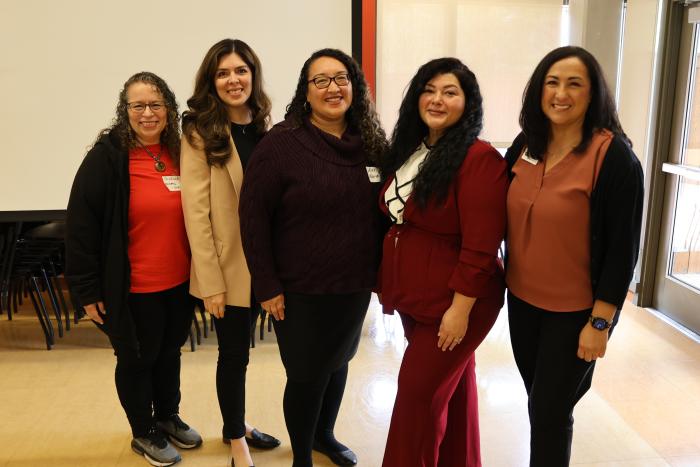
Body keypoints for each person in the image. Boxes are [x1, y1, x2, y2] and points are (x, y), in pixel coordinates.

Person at [239, 48, 388, 467]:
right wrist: (267, 285)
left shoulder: (372, 143)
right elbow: (252, 220)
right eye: (320, 80)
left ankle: (324, 436)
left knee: (339, 363)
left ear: (355, 87)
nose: (332, 88)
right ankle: (301, 457)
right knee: (306, 376)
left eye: (341, 78)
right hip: (299, 290)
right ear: (306, 92)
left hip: (354, 285)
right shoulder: (281, 144)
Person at [504, 46, 644, 466]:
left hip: (576, 312)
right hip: (522, 302)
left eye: (574, 83)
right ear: (539, 90)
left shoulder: (614, 157)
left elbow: (623, 250)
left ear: (593, 94)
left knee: (549, 411)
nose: (561, 93)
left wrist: (600, 322)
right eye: (552, 81)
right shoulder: (527, 144)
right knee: (538, 402)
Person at [65, 72, 201, 467]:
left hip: (178, 283)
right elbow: (81, 226)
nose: (147, 113)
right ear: (124, 111)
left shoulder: (179, 150)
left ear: (170, 109)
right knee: (136, 358)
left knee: (169, 353)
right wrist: (87, 292)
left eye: (156, 104)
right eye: (138, 105)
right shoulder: (107, 158)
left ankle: (167, 415)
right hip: (130, 288)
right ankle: (144, 430)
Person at [377, 58, 508, 467]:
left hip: (456, 303)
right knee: (453, 388)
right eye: (429, 90)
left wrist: (460, 310)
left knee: (416, 398)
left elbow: (481, 246)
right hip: (417, 297)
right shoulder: (415, 151)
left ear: (467, 104)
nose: (436, 99)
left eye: (449, 92)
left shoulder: (478, 158)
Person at [180, 38, 280, 467]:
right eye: (223, 73)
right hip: (227, 268)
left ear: (253, 75)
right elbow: (196, 212)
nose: (233, 79)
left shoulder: (265, 126)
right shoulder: (200, 132)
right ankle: (236, 436)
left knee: (251, 353)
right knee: (234, 355)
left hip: (269, 265)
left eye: (241, 70)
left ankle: (235, 423)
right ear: (212, 82)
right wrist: (211, 283)